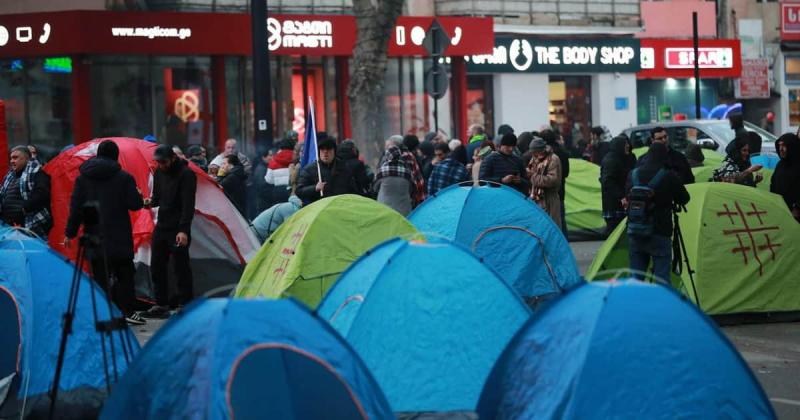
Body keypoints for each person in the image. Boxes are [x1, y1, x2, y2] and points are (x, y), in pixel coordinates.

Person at [63, 140, 145, 325]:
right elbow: (135, 204)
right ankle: (128, 312)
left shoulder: (83, 178)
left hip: (94, 235)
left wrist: (70, 232)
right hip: (119, 235)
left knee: (99, 276)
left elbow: (75, 207)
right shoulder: (124, 177)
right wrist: (137, 194)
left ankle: (103, 312)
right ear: (115, 156)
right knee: (125, 274)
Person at [141, 144, 197, 318]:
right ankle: (161, 303)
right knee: (157, 265)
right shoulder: (159, 172)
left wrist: (184, 230)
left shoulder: (187, 174)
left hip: (178, 227)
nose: (161, 165)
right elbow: (157, 198)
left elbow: (188, 205)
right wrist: (148, 202)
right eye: (158, 162)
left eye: (164, 162)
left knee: (180, 267)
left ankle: (185, 303)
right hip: (162, 225)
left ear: (173, 158)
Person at [626, 143, 690, 285]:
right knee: (661, 278)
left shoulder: (633, 174)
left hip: (635, 230)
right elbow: (685, 198)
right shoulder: (668, 176)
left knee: (636, 278)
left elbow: (627, 196)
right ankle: (660, 305)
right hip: (660, 231)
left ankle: (635, 305)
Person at [0, 146, 52, 237]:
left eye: (15, 157)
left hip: (30, 227)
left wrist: (23, 209)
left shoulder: (38, 172)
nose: (12, 161)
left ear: (27, 159)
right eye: (11, 158)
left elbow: (42, 194)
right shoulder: (9, 176)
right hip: (8, 227)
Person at [295, 138, 358, 204]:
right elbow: (299, 191)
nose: (325, 152)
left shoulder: (344, 168)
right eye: (322, 149)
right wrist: (314, 188)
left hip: (341, 206)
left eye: (329, 149)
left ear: (334, 151)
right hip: (319, 208)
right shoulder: (309, 170)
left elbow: (353, 190)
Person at [600, 136, 635, 235]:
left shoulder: (627, 158)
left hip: (623, 201)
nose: (628, 146)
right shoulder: (611, 160)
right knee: (615, 233)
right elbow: (608, 182)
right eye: (625, 144)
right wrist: (621, 196)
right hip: (613, 204)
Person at [541, 129, 571, 233]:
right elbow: (566, 172)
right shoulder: (563, 151)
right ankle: (564, 244)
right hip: (560, 189)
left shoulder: (544, 153)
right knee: (561, 219)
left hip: (545, 191)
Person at [529, 138, 563, 227]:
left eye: (534, 152)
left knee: (552, 227)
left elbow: (551, 180)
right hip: (537, 199)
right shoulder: (535, 158)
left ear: (540, 150)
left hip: (550, 200)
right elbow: (530, 170)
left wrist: (532, 176)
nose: (533, 155)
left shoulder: (553, 159)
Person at [373, 145, 415, 215]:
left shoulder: (382, 171)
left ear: (387, 157)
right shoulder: (408, 172)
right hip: (404, 210)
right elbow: (411, 189)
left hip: (385, 209)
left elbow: (374, 188)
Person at [771, 133, 800, 221]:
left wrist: (797, 207)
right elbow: (773, 184)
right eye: (779, 146)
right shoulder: (780, 165)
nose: (781, 149)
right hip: (781, 211)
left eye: (784, 145)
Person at [265, 140, 295, 205]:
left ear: (280, 148)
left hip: (278, 192)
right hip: (293, 191)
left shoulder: (273, 161)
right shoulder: (297, 158)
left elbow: (268, 180)